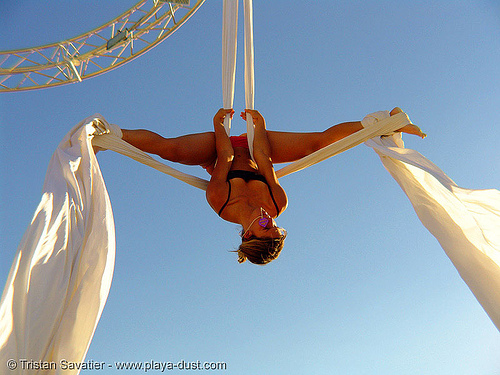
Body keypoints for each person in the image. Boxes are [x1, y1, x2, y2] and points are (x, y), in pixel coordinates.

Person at [120, 107, 425, 265]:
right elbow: (265, 162)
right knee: (316, 145)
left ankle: (111, 135)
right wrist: (259, 129)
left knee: (168, 151)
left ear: (249, 233)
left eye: (267, 226)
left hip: (217, 149)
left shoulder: (220, 201)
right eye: (278, 227)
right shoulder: (279, 204)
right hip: (255, 151)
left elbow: (225, 154)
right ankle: (384, 122)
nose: (272, 218)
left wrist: (219, 125)